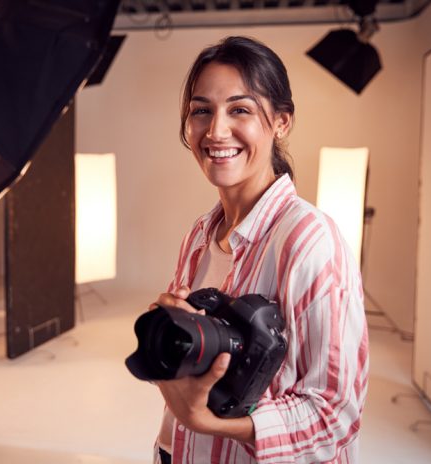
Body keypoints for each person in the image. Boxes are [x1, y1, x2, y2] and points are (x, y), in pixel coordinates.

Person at [151, 36, 369, 463]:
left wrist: (212, 423)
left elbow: (335, 414)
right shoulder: (200, 235)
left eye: (240, 109)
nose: (215, 131)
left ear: (281, 122)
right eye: (201, 111)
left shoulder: (310, 242)